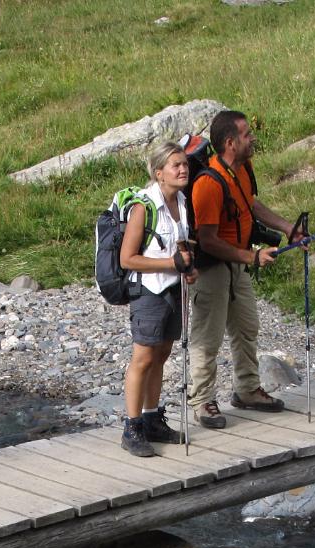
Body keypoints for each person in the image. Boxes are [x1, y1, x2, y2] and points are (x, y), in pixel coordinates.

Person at [188, 110, 303, 429]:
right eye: (246, 134)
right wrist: (250, 257)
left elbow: (250, 203)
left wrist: (288, 228)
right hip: (211, 269)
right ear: (230, 142)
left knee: (246, 327)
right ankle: (201, 401)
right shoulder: (207, 186)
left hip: (236, 264)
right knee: (207, 338)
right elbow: (208, 240)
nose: (252, 138)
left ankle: (247, 390)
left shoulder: (242, 167)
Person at [119, 141, 197, 457]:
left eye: (184, 164)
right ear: (158, 172)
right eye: (176, 165)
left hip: (174, 288)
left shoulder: (180, 199)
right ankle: (132, 427)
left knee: (162, 352)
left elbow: (180, 245)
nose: (183, 169)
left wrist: (189, 268)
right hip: (148, 291)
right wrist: (171, 265)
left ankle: (152, 418)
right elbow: (128, 259)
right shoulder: (144, 207)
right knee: (143, 357)